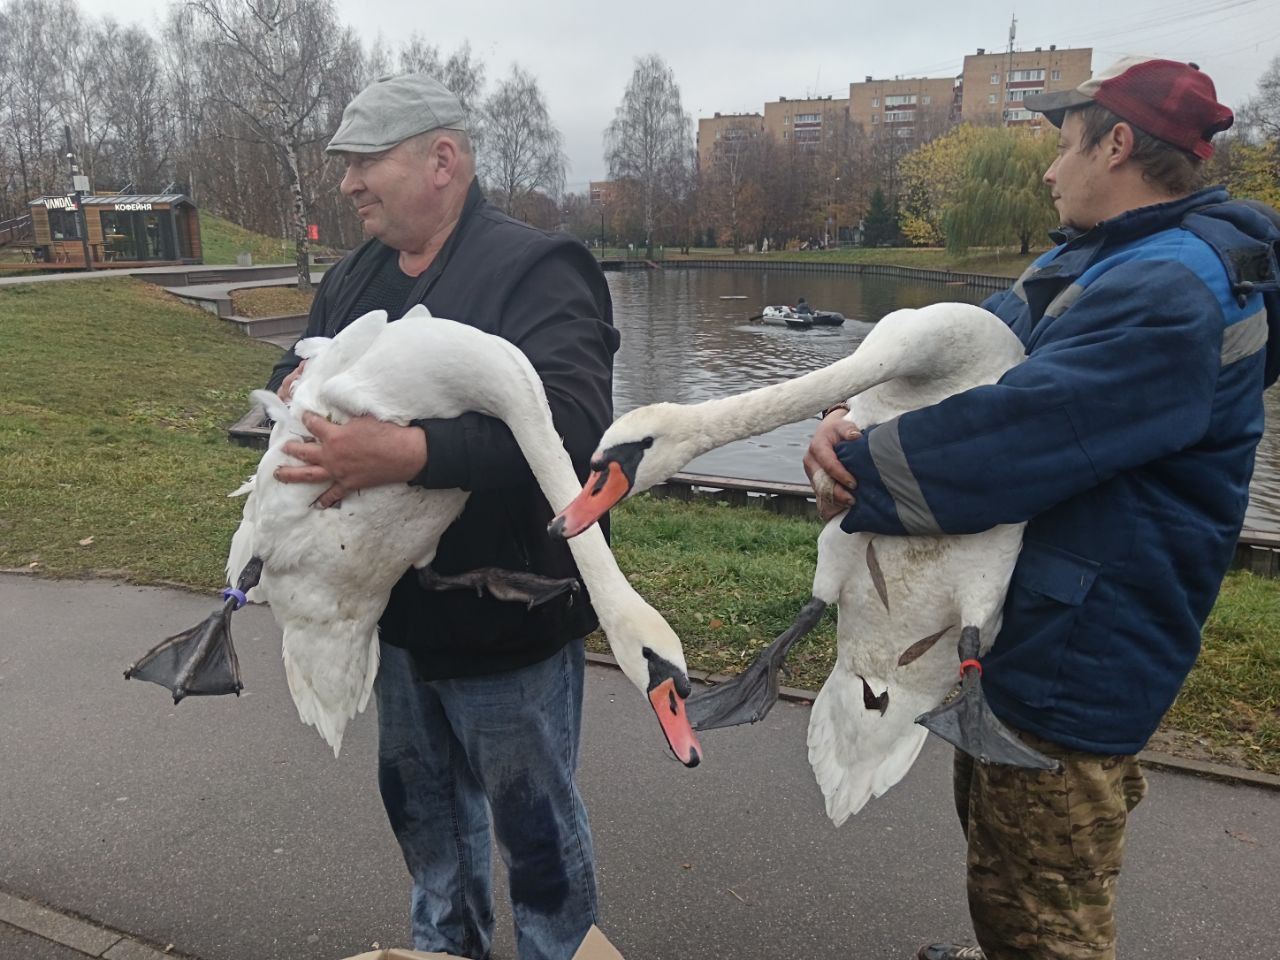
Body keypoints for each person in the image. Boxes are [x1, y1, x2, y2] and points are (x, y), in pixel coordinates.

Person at [804, 56, 1279, 960]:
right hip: (1042, 617)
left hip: (1084, 649)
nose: (1048, 171)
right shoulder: (1100, 258)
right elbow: (974, 346)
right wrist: (850, 411)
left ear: (1120, 145)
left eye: (1065, 147)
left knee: (1044, 911)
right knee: (1001, 855)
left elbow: (1016, 436)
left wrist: (862, 469)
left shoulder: (1171, 292)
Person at [266, 73, 618, 960]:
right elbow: (302, 366)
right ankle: (442, 950)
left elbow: (574, 432)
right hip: (401, 617)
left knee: (536, 838)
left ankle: (554, 948)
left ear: (443, 159)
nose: (346, 184)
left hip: (512, 619)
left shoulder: (538, 269)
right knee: (427, 830)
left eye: (363, 163)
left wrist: (409, 455)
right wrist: (288, 388)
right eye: (343, 166)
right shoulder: (356, 277)